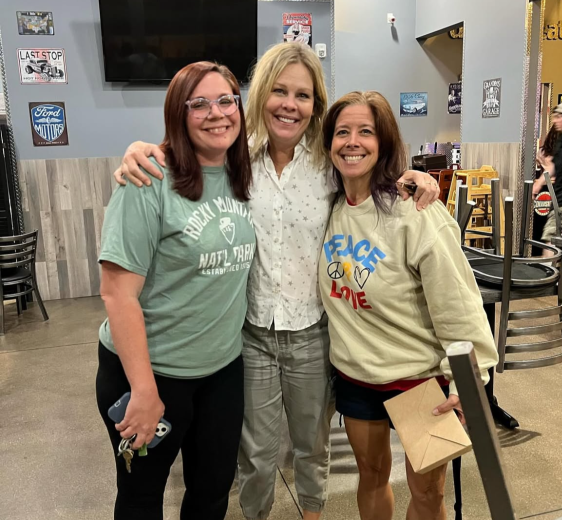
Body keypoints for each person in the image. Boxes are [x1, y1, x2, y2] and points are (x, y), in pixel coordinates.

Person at [113, 42, 440, 520]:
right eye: (280, 91)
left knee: (311, 448)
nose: (290, 104)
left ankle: (312, 514)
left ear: (315, 105)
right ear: (262, 94)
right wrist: (140, 149)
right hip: (250, 337)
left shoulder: (328, 163)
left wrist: (415, 176)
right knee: (256, 457)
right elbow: (184, 149)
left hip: (313, 333)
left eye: (303, 96)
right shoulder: (235, 156)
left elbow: (370, 169)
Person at [319, 90, 498, 520]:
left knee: (427, 494)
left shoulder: (413, 210)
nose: (352, 142)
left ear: (384, 142)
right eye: (342, 132)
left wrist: (471, 382)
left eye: (366, 131)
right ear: (328, 144)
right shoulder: (330, 208)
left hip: (419, 379)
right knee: (372, 474)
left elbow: (457, 300)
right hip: (357, 375)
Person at [95, 61, 256, 520]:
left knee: (211, 495)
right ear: (178, 114)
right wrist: (143, 390)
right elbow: (117, 294)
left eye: (226, 100)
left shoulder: (243, 173)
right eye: (199, 103)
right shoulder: (148, 179)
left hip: (221, 371)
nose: (216, 112)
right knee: (142, 498)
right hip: (150, 373)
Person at [536, 103, 562, 245]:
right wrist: (538, 184)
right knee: (552, 243)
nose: (554, 120)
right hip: (560, 202)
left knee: (550, 243)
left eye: (558, 117)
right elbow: (554, 165)